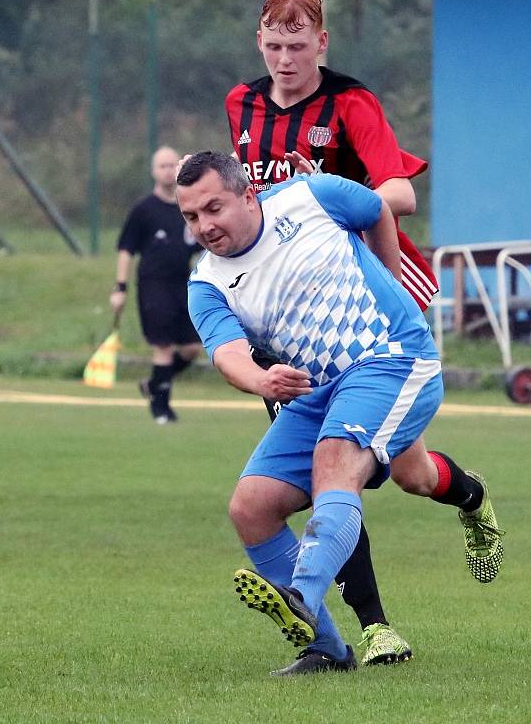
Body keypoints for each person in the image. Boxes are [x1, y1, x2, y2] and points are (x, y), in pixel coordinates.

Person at [177, 151, 504, 675]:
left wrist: (391, 282)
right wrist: (261, 379)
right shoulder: (207, 284)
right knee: (253, 506)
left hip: (393, 358)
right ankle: (327, 648)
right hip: (318, 391)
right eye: (191, 217)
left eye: (214, 208)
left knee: (337, 462)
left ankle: (300, 594)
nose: (205, 226)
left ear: (247, 194)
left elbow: (377, 208)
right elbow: (228, 354)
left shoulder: (311, 196)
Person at [222, 0, 438, 666]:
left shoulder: (351, 103)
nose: (285, 58)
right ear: (260, 41)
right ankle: (368, 629)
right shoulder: (242, 105)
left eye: (298, 44)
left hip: (363, 307)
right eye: (274, 44)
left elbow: (399, 191)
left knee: (408, 474)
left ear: (322, 43)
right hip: (290, 321)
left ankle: (471, 501)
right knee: (328, 474)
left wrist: (327, 207)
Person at [110, 146, 203, 424]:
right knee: (162, 345)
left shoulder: (188, 206)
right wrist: (120, 287)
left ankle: (153, 385)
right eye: (161, 165)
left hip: (183, 285)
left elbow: (199, 246)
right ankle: (161, 409)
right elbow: (126, 249)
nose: (167, 170)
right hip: (153, 285)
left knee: (191, 348)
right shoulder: (144, 210)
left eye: (171, 164)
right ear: (153, 171)